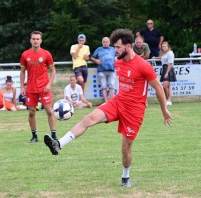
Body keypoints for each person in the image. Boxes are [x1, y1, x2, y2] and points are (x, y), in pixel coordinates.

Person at [44, 29, 173, 188]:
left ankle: (125, 177)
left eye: (118, 47)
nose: (116, 51)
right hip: (118, 102)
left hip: (134, 110)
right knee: (88, 119)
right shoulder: (118, 61)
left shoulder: (143, 65)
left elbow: (159, 89)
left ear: (127, 46)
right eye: (114, 48)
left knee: (125, 148)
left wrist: (164, 110)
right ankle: (59, 144)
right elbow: (125, 82)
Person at [20, 31, 57, 143]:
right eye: (33, 39)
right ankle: (34, 136)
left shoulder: (46, 54)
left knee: (49, 111)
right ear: (30, 40)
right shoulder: (25, 55)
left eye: (37, 39)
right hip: (31, 88)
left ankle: (54, 136)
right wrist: (22, 87)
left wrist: (49, 84)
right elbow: (22, 72)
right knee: (31, 112)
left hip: (44, 87)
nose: (35, 41)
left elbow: (53, 71)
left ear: (41, 40)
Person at [90, 37, 117, 102]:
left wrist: (116, 58)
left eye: (106, 42)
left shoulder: (113, 49)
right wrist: (96, 60)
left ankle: (112, 101)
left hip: (112, 70)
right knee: (103, 86)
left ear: (109, 42)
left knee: (111, 85)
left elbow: (118, 55)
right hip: (101, 70)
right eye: (104, 42)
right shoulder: (99, 49)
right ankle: (106, 101)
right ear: (102, 42)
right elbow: (91, 57)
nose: (105, 43)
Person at [158, 42, 177, 106]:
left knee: (165, 86)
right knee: (168, 86)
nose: (164, 48)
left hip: (168, 69)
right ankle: (168, 100)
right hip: (164, 68)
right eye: (163, 46)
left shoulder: (170, 53)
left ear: (168, 47)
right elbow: (163, 59)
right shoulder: (164, 54)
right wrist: (156, 58)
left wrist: (167, 73)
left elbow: (170, 63)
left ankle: (168, 99)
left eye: (165, 46)